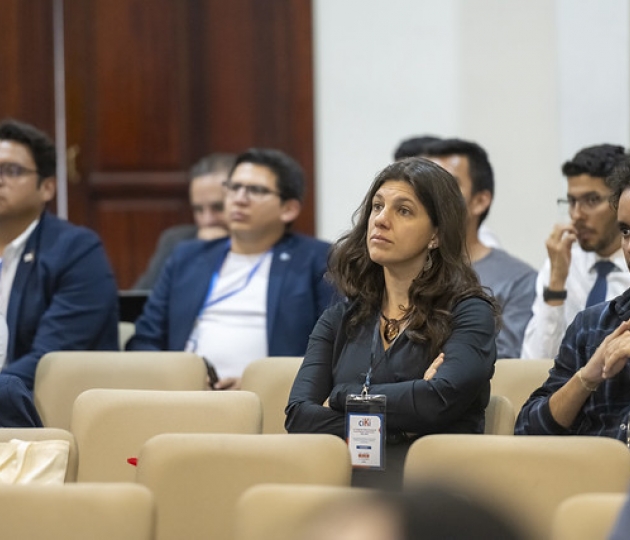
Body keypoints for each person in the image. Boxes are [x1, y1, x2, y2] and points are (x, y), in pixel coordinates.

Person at [285, 157, 498, 489]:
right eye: (377, 207)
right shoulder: (341, 317)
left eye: (404, 211)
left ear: (436, 236)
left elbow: (439, 400)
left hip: (435, 495)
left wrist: (343, 397)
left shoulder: (468, 313)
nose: (381, 220)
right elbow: (299, 418)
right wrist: (404, 426)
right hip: (347, 488)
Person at [127, 148, 334, 390]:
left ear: (288, 209)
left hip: (272, 398)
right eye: (234, 187)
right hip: (184, 395)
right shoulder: (187, 257)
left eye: (256, 190)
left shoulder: (318, 260)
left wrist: (262, 384)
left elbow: (334, 349)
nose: (239, 198)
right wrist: (175, 379)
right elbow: (145, 339)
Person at [0, 119, 118, 427]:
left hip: (46, 414)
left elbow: (51, 360)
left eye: (11, 170)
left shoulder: (77, 251)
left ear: (48, 187)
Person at [515, 154, 630, 439]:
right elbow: (527, 431)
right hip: (589, 478)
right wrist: (587, 377)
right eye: (627, 232)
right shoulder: (596, 323)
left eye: (592, 200)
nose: (577, 214)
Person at [423, 138, 536, 358]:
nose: (434, 197)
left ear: (480, 201)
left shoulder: (518, 280)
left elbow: (504, 363)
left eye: (448, 185)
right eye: (427, 187)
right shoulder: (405, 267)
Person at [522, 144, 630, 360]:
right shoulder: (564, 260)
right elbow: (534, 362)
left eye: (592, 200)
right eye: (571, 202)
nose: (577, 215)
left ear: (618, 202)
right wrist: (556, 285)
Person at [133, 153, 235, 290]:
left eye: (218, 207)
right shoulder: (176, 241)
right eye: (198, 209)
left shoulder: (264, 245)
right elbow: (139, 301)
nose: (207, 220)